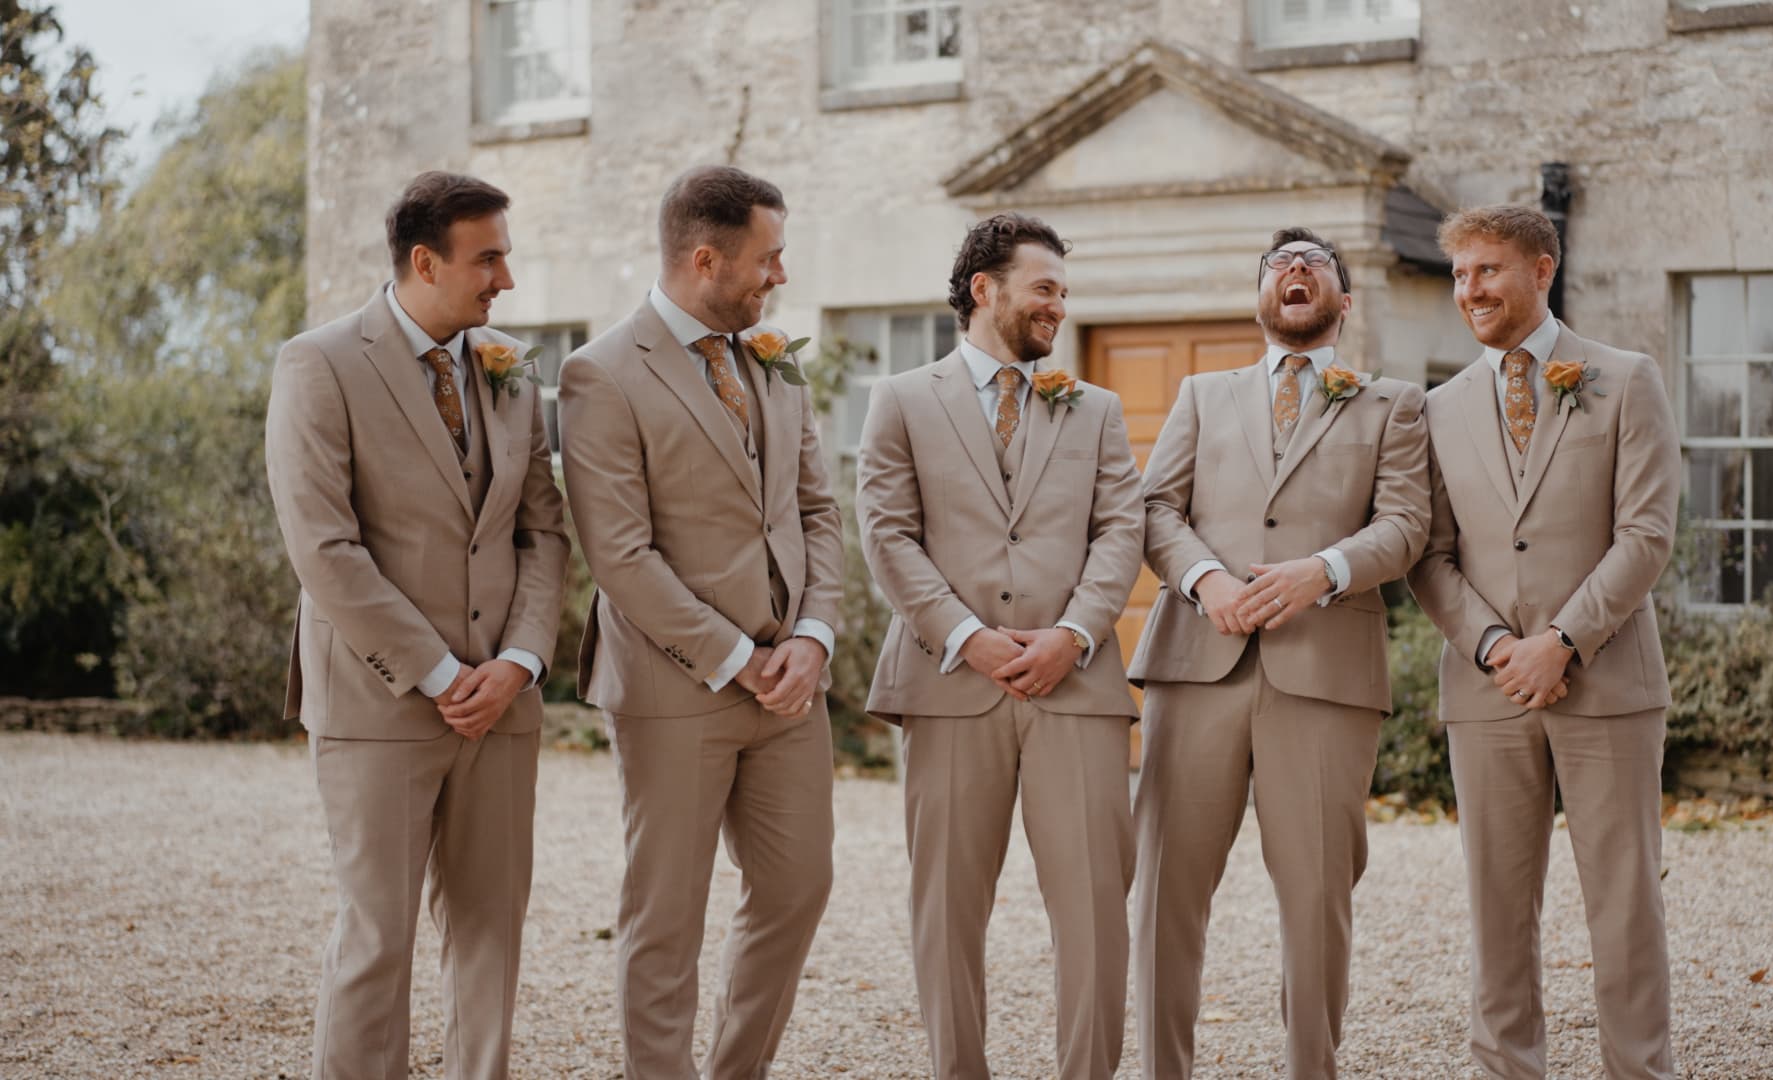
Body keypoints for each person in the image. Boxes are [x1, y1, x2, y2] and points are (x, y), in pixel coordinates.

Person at [265, 170, 569, 1079]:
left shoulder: (508, 368)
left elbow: (542, 529)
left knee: (490, 935)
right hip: (380, 700)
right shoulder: (318, 363)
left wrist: (518, 659)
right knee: (378, 938)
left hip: (503, 702)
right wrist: (441, 675)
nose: (505, 281)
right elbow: (324, 548)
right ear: (425, 262)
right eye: (489, 260)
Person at [557, 164, 843, 1079]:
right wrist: (733, 656)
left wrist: (813, 636)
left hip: (793, 685)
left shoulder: (773, 356)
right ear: (706, 258)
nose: (781, 278)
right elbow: (621, 557)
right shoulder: (599, 373)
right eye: (770, 259)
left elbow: (817, 512)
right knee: (666, 913)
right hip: (673, 684)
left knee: (798, 889)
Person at [1128, 227, 1430, 1079]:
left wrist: (1324, 572)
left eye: (1314, 265)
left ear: (1344, 298)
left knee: (1318, 897)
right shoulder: (1199, 393)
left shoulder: (1393, 404)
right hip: (1196, 664)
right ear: (1259, 296)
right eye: (1278, 265)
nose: (1294, 273)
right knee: (1165, 898)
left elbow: (1407, 524)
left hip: (1325, 676)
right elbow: (1156, 511)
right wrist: (1203, 584)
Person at [855, 212, 1144, 1079]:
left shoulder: (1096, 408)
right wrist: (967, 637)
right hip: (948, 684)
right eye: (1044, 288)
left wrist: (1074, 634)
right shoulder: (900, 399)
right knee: (946, 908)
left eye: (1064, 290)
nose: (1059, 305)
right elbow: (888, 534)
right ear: (985, 289)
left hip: (1076, 684)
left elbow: (1120, 530)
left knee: (1095, 907)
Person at [1408, 203, 1680, 1079]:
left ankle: (1639, 1068)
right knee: (1496, 905)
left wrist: (1562, 640)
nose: (1470, 290)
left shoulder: (1625, 377)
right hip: (1486, 690)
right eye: (1459, 275)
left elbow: (1646, 534)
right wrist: (1494, 646)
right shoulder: (1438, 407)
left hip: (1606, 681)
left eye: (1487, 270)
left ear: (1541, 269)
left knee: (1625, 900)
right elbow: (1430, 554)